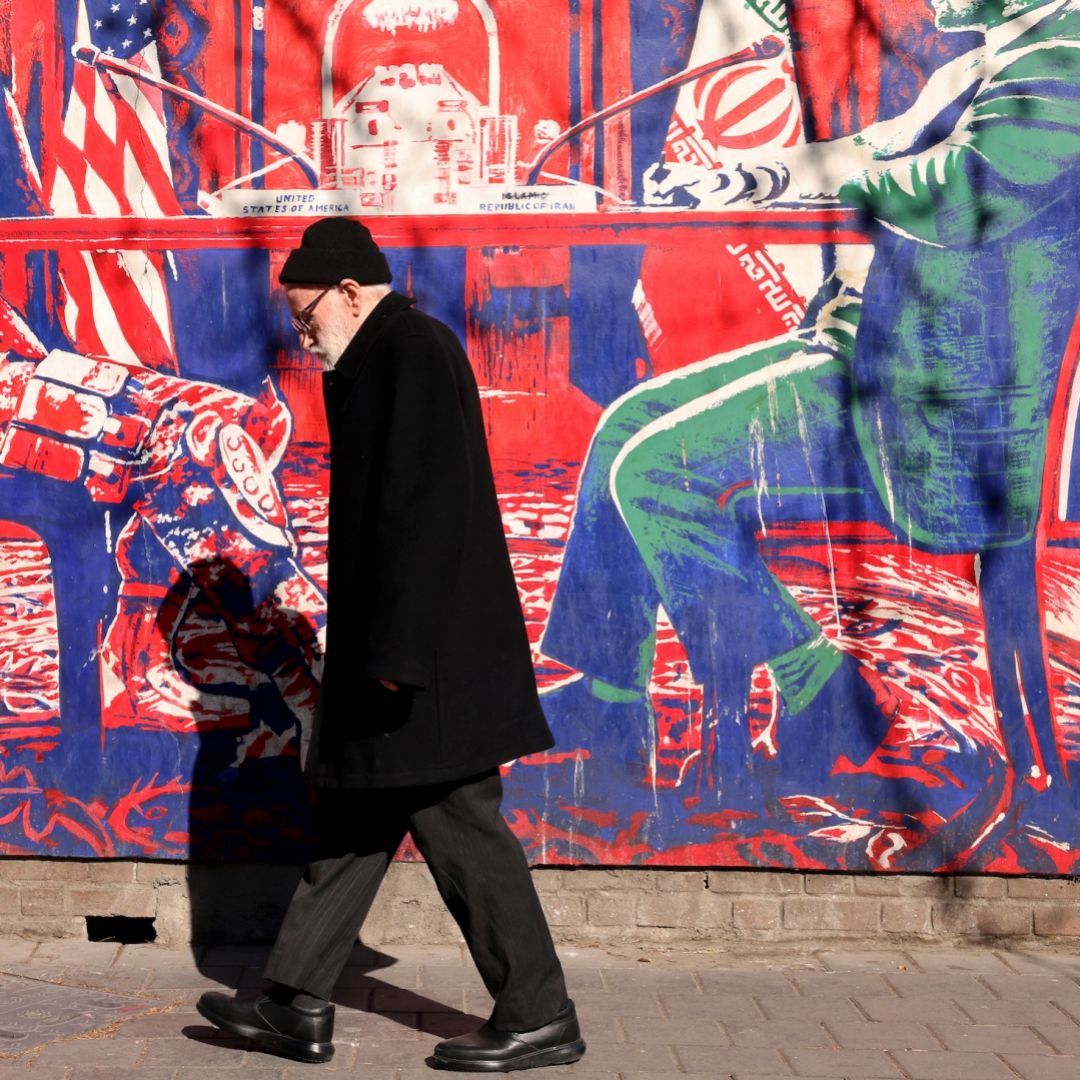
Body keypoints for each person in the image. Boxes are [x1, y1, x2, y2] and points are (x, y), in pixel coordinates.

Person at [537, 0, 1080, 866]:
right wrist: (750, 177)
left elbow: (961, 196)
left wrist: (828, 182)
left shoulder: (1065, 61)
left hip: (930, 402)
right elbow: (876, 147)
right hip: (864, 348)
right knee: (622, 427)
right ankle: (612, 695)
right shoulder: (984, 60)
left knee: (653, 473)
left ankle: (813, 678)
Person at [196, 218, 586, 1071]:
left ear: (347, 291)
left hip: (423, 663)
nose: (302, 337)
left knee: (459, 827)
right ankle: (295, 1003)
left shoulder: (410, 350)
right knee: (353, 819)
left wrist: (395, 661)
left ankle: (538, 1011)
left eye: (307, 319)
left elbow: (427, 514)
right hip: (403, 654)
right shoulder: (380, 356)